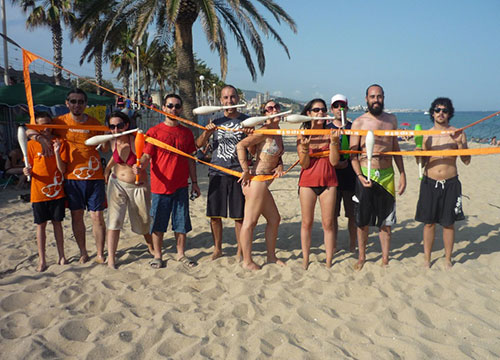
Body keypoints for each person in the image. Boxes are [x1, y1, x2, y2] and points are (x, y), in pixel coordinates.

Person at [27, 88, 107, 264]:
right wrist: (40, 139)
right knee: (77, 216)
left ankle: (100, 254)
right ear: (67, 103)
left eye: (80, 101)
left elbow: (106, 149)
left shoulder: (95, 123)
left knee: (97, 217)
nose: (77, 105)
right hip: (72, 179)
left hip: (95, 178)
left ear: (86, 104)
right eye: (73, 101)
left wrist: (107, 138)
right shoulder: (58, 122)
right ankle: (83, 252)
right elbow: (29, 131)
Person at [135, 94, 200, 269]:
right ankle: (158, 255)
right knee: (158, 223)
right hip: (160, 187)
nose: (173, 109)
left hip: (180, 185)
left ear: (181, 109)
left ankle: (180, 254)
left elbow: (190, 160)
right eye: (170, 105)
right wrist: (140, 166)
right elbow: (146, 155)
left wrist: (194, 182)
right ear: (163, 107)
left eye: (177, 106)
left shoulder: (186, 132)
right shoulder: (154, 132)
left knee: (181, 222)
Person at [350, 84, 406, 270]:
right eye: (372, 97)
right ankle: (362, 257)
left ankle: (385, 258)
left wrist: (402, 174)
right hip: (366, 174)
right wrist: (359, 175)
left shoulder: (392, 120)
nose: (376, 100)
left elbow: (396, 149)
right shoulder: (359, 122)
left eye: (379, 97)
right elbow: (353, 154)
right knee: (362, 221)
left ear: (384, 97)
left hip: (387, 174)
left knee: (386, 222)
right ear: (366, 99)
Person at [415, 98, 470, 269]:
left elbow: (466, 160)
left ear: (449, 113)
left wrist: (460, 143)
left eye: (444, 110)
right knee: (429, 222)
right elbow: (422, 163)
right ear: (432, 113)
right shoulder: (427, 135)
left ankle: (447, 258)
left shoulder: (457, 133)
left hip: (451, 182)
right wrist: (418, 152)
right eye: (437, 110)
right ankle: (427, 259)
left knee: (448, 223)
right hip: (430, 182)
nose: (441, 113)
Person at [196, 85, 248, 260]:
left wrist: (249, 136)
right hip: (217, 172)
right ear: (221, 100)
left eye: (232, 97)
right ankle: (217, 248)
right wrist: (206, 133)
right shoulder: (215, 121)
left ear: (237, 99)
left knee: (238, 216)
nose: (229, 101)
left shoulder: (246, 121)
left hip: (237, 173)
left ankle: (240, 250)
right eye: (225, 98)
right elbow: (199, 144)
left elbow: (254, 150)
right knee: (214, 215)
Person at [236, 100, 286, 270]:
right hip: (256, 181)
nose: (274, 110)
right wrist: (245, 169)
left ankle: (271, 256)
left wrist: (280, 165)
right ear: (264, 114)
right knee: (250, 222)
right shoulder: (264, 131)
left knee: (274, 219)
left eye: (276, 107)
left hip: (265, 183)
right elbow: (241, 145)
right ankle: (247, 261)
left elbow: (276, 156)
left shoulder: (278, 132)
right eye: (270, 108)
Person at [103, 111, 154, 269]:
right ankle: (111, 258)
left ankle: (151, 246)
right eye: (112, 126)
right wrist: (107, 169)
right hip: (117, 183)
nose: (116, 130)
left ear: (126, 125)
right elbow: (114, 156)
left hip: (138, 186)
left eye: (119, 126)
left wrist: (141, 166)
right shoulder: (113, 140)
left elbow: (146, 156)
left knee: (143, 221)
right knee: (114, 220)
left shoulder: (135, 140)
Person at [297, 99, 341, 269]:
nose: (320, 113)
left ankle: (329, 260)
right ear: (309, 113)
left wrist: (335, 143)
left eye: (323, 110)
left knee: (328, 223)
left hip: (329, 182)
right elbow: (304, 164)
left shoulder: (331, 133)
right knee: (306, 223)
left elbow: (334, 162)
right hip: (308, 182)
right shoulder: (303, 134)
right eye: (316, 110)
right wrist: (305, 148)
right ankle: (306, 259)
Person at [23, 112, 69, 272]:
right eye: (41, 125)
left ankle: (61, 255)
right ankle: (42, 260)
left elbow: (62, 169)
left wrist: (56, 152)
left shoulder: (60, 142)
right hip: (38, 192)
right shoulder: (30, 145)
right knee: (40, 226)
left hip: (56, 191)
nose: (46, 128)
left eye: (48, 124)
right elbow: (28, 166)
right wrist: (26, 171)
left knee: (58, 224)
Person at [326, 94, 357, 252]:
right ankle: (335, 244)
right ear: (332, 109)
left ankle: (353, 244)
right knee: (332, 215)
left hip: (351, 177)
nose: (340, 109)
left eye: (342, 105)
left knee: (352, 215)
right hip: (332, 177)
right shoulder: (327, 128)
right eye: (336, 106)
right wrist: (336, 163)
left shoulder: (353, 127)